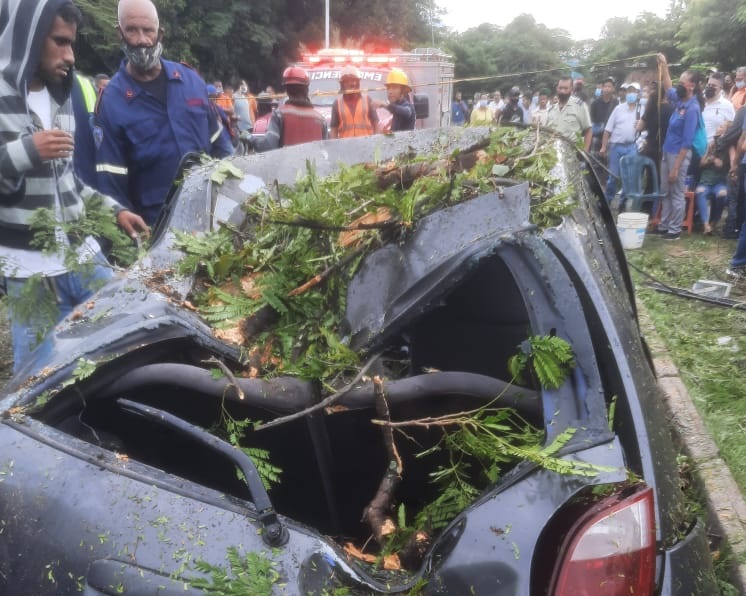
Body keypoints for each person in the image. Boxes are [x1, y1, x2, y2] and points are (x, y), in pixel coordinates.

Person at [0, 0, 147, 373]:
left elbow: (69, 182)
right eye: (60, 42)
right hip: (29, 271)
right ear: (28, 39)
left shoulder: (61, 94)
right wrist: (27, 151)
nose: (69, 56)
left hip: (83, 256)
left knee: (131, 331)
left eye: (72, 44)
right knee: (37, 379)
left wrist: (115, 211)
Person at [94, 0, 233, 226]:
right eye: (132, 30)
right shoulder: (111, 102)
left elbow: (221, 146)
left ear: (160, 34)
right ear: (119, 33)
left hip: (211, 215)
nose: (141, 40)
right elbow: (111, 182)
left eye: (148, 30)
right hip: (158, 229)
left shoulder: (190, 81)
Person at [651, 53, 703, 240]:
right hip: (667, 151)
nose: (679, 85)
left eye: (683, 82)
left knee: (677, 192)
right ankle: (663, 225)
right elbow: (667, 86)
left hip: (679, 155)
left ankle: (675, 230)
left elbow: (687, 141)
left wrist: (676, 167)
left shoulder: (692, 108)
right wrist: (664, 66)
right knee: (665, 190)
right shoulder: (680, 99)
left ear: (692, 86)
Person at [252, 66, 328, 151]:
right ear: (306, 89)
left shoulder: (280, 114)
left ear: (287, 90)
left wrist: (251, 139)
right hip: (314, 164)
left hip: (287, 164)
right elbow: (325, 151)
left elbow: (269, 146)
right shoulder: (321, 119)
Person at [599, 83, 641, 204]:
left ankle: (623, 203)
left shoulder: (640, 110)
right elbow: (608, 130)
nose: (630, 94)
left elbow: (644, 131)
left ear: (638, 94)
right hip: (616, 146)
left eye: (633, 91)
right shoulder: (618, 109)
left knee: (629, 178)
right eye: (629, 91)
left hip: (632, 146)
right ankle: (607, 201)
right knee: (613, 176)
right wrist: (603, 146)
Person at [694, 122, 730, 234]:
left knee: (722, 194)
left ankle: (714, 222)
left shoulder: (729, 147)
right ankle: (706, 225)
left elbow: (727, 165)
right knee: (700, 192)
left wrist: (723, 163)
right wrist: (711, 159)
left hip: (720, 182)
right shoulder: (710, 144)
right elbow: (701, 163)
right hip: (706, 180)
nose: (718, 128)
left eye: (721, 127)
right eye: (719, 126)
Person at [329, 65, 378, 138]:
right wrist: (334, 147)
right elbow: (333, 129)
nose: (351, 84)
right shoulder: (337, 104)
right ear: (342, 84)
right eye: (347, 81)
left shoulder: (367, 100)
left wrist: (377, 144)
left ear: (358, 82)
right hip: (346, 147)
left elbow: (376, 124)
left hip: (366, 145)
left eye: (354, 80)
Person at [546, 75, 592, 151]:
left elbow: (588, 130)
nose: (562, 91)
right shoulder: (551, 109)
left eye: (565, 88)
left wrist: (585, 151)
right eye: (560, 88)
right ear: (557, 89)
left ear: (571, 89)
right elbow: (546, 132)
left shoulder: (580, 106)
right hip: (552, 153)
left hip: (573, 152)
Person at [371, 68, 416, 132]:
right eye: (388, 88)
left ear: (403, 91)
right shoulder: (395, 108)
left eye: (394, 87)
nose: (390, 91)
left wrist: (385, 105)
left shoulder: (408, 107)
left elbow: (406, 112)